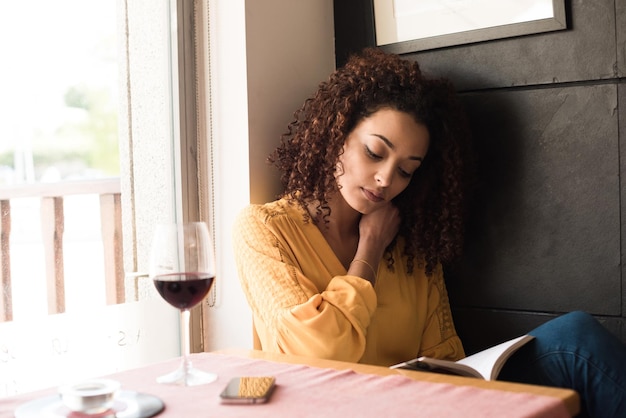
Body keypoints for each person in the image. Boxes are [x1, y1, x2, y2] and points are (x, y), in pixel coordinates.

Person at [232, 48, 626, 417]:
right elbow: (314, 350)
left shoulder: (412, 249)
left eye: (407, 169)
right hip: (341, 410)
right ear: (337, 135)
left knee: (575, 341)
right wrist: (369, 249)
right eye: (375, 152)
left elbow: (446, 359)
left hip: (423, 406)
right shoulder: (265, 230)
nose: (386, 179)